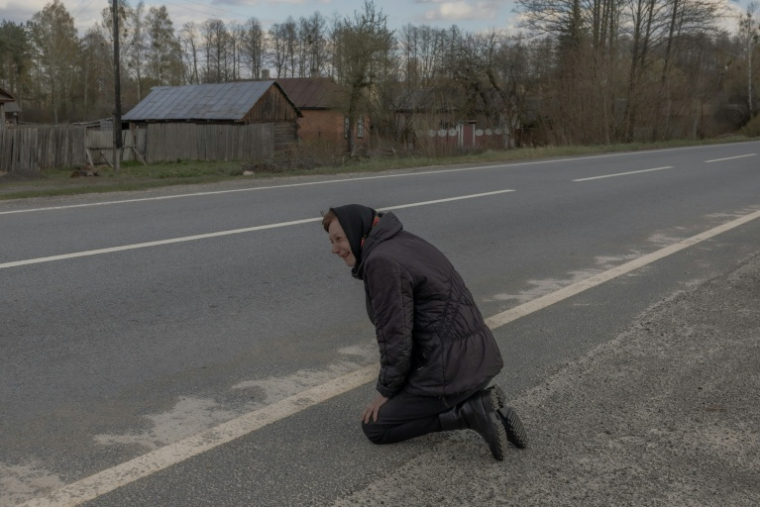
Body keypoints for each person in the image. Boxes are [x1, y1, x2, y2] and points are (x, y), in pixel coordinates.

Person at [322, 204, 527, 461]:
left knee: (376, 427)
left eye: (339, 239)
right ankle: (479, 401)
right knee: (406, 397)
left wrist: (386, 391)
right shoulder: (404, 241)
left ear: (357, 232)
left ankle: (472, 412)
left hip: (449, 370)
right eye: (331, 241)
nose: (334, 249)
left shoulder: (381, 261)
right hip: (478, 357)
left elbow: (395, 337)